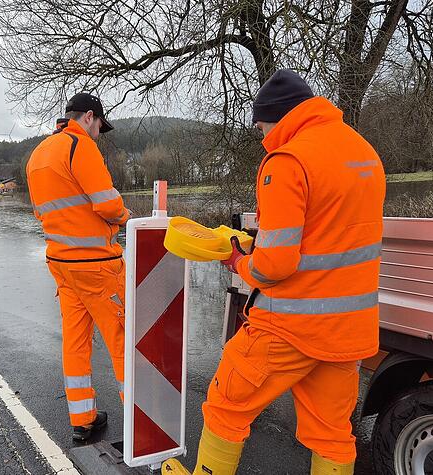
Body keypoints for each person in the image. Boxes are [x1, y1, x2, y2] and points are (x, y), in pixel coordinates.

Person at [163, 70, 386, 474]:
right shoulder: (364, 151)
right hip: (349, 330)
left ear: (278, 117)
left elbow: (275, 265)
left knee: (225, 407)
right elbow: (327, 236)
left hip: (288, 327)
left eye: (263, 127)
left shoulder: (287, 160)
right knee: (332, 433)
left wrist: (236, 261)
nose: (263, 136)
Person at [26, 92, 130, 441]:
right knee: (123, 339)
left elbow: (42, 212)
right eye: (100, 124)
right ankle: (139, 420)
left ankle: (83, 420)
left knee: (75, 341)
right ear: (88, 117)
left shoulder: (39, 155)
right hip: (98, 266)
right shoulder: (81, 146)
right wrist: (125, 216)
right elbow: (107, 203)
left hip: (61, 264)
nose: (99, 132)